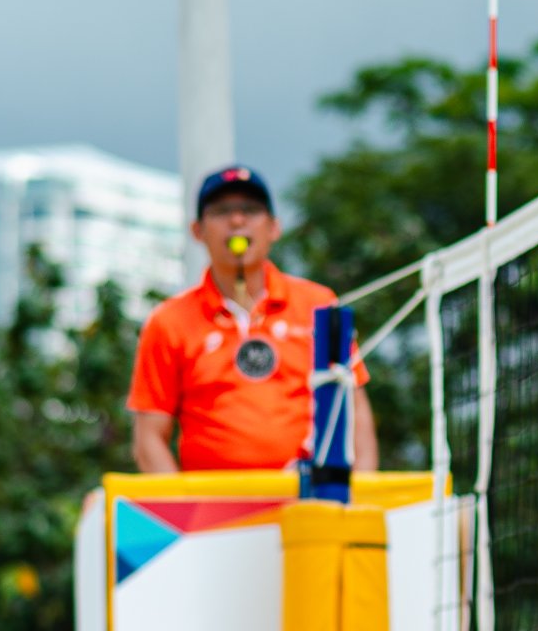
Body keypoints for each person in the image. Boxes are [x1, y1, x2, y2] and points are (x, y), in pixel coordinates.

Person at [128, 165, 378, 473]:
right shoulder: (168, 321)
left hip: (305, 501)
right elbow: (149, 437)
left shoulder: (318, 304)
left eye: (250, 209)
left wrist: (358, 497)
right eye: (221, 211)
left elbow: (354, 407)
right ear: (198, 230)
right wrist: (180, 515)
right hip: (212, 509)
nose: (236, 221)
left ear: (274, 227)